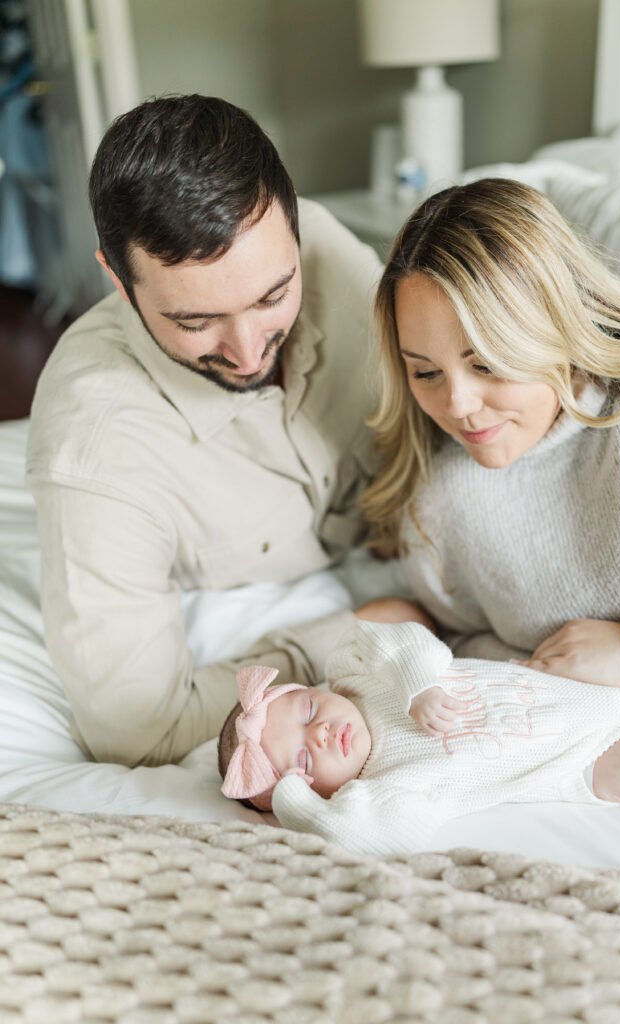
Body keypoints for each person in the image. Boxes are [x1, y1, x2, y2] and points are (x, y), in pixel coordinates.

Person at [25, 94, 385, 768]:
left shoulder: (326, 247)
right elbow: (142, 731)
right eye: (195, 322)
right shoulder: (96, 451)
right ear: (119, 282)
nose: (249, 352)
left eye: (272, 296)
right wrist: (353, 637)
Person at [360, 178, 620, 693]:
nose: (457, 406)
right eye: (425, 373)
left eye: (485, 363)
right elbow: (466, 649)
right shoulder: (440, 500)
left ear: (551, 324)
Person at [218, 620, 620, 855]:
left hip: (591, 688)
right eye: (302, 761)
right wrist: (295, 806)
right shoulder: (384, 786)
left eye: (308, 710)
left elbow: (387, 637)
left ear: (315, 688)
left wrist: (417, 683)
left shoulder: (356, 677)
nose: (319, 734)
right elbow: (365, 835)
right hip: (584, 762)